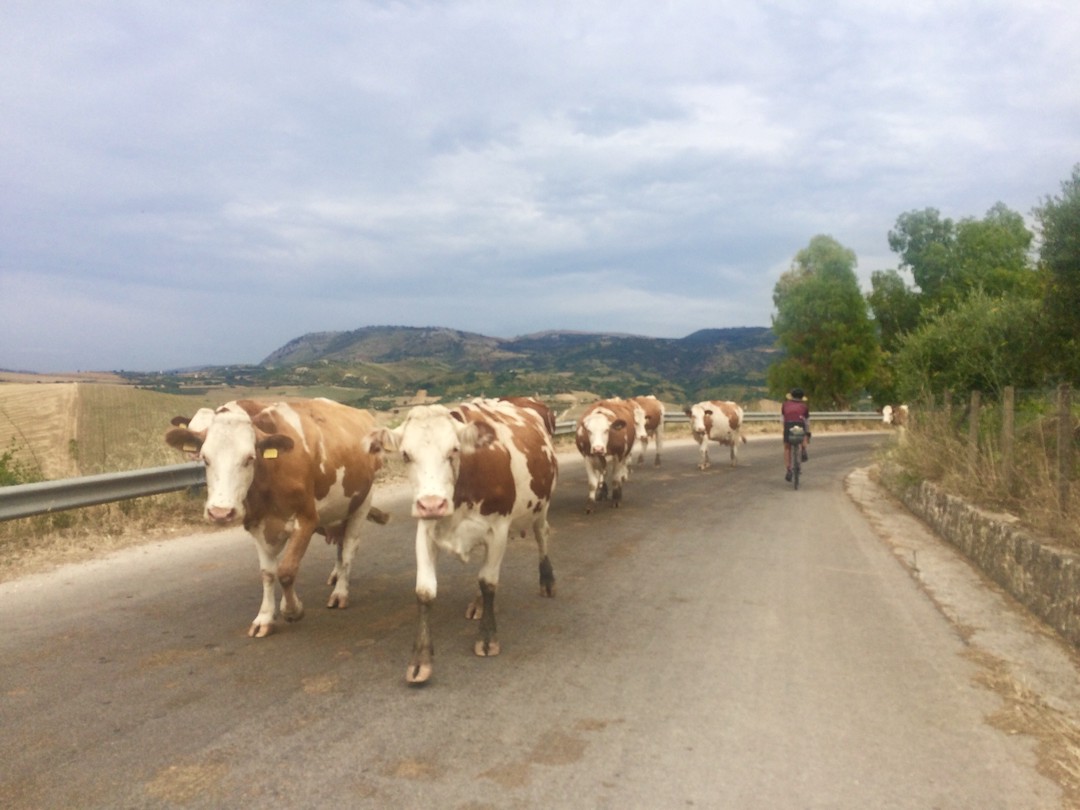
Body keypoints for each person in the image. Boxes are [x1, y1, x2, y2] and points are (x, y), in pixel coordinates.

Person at [781, 388, 810, 482]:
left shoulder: (785, 405)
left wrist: (785, 427)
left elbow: (782, 419)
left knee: (787, 448)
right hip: (800, 425)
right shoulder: (804, 406)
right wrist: (807, 432)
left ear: (791, 396)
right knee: (804, 433)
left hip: (788, 425)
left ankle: (788, 470)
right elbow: (807, 422)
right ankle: (804, 449)